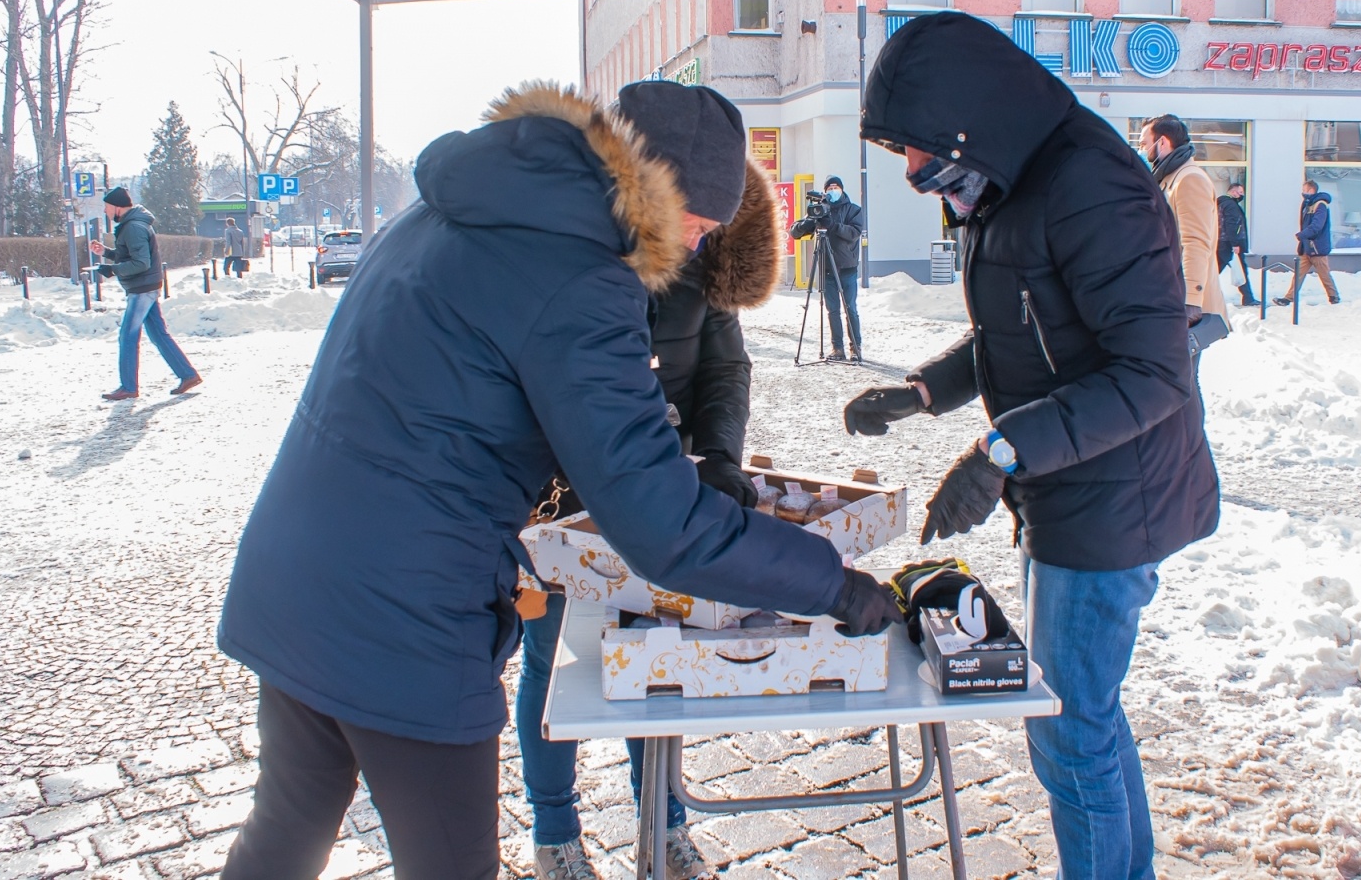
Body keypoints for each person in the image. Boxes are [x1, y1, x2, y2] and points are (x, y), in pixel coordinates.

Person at [216, 81, 901, 880]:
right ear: (663, 193)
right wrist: (834, 585)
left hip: (293, 573)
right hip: (404, 610)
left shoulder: (452, 208)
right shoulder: (581, 275)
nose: (694, 250)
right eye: (699, 229)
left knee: (284, 836)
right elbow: (661, 525)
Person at [842, 13, 1219, 880]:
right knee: (1088, 716)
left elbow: (1155, 373)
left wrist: (999, 453)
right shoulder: (1008, 180)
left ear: (968, 121)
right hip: (1067, 484)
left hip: (1113, 498)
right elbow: (1018, 333)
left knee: (1068, 729)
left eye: (920, 152)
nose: (915, 173)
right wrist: (922, 392)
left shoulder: (1091, 185)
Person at [515, 80, 780, 880]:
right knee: (548, 661)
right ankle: (555, 835)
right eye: (692, 225)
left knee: (654, 655)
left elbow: (725, 367)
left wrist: (720, 458)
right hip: (556, 497)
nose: (698, 243)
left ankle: (663, 826)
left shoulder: (706, 251)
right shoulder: (571, 249)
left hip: (660, 487)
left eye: (708, 230)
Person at [1138, 114, 1229, 398]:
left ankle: (1191, 429)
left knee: (1183, 384)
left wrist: (1191, 302)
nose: (1142, 149)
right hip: (1169, 296)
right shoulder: (1171, 178)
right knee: (1176, 383)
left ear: (1163, 142)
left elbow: (1195, 242)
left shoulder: (1189, 179)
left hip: (1184, 301)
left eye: (1144, 143)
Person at [88, 187, 203, 401]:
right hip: (146, 285)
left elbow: (141, 263)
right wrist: (106, 253)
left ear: (117, 207)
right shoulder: (133, 224)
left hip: (142, 288)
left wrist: (113, 270)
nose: (105, 211)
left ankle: (128, 387)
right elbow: (129, 255)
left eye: (107, 207)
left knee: (128, 335)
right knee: (158, 334)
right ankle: (188, 375)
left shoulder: (133, 227)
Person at [789, 175, 865, 361]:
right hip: (827, 268)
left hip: (847, 268)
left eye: (836, 187)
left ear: (842, 189)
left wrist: (834, 226)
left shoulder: (853, 210)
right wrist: (809, 223)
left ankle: (855, 348)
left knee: (850, 309)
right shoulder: (820, 210)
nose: (833, 190)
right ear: (824, 191)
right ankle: (837, 349)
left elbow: (854, 233)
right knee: (833, 311)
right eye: (829, 188)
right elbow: (795, 232)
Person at [1274, 180, 1340, 306]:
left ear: (1311, 190)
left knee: (1324, 274)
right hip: (1306, 247)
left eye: (1304, 190)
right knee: (1298, 274)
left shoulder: (1320, 205)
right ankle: (1289, 298)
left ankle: (1333, 296)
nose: (1302, 192)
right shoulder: (1308, 204)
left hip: (1317, 247)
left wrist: (1302, 235)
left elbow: (1317, 225)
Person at [1216, 183, 1258, 307]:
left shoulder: (1220, 204)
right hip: (1230, 244)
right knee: (1241, 270)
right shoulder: (1231, 205)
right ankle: (1248, 298)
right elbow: (1232, 225)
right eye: (1240, 192)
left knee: (1215, 269)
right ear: (1233, 192)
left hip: (1221, 242)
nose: (1242, 195)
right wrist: (1235, 244)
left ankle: (1198, 291)